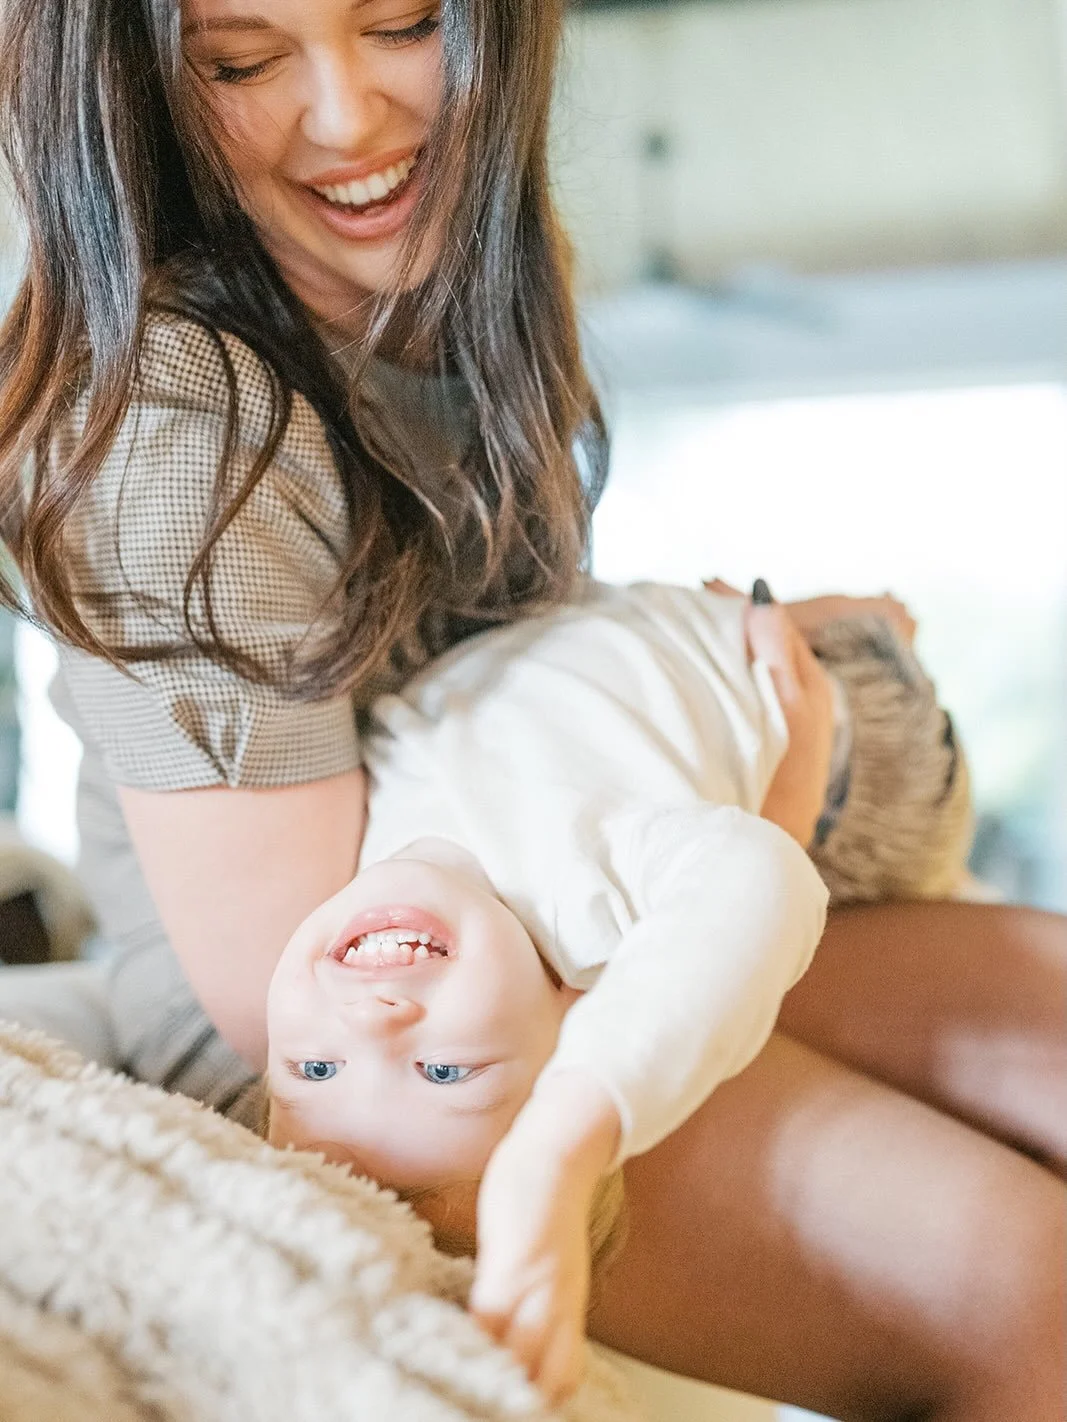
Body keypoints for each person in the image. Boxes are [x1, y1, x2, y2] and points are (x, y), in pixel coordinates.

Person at [0, 1, 1062, 1417]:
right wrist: (770, 794)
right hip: (372, 1044)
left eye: (403, 23)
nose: (351, 120)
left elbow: (478, 669)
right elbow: (311, 995)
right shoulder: (177, 428)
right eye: (242, 63)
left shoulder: (462, 273)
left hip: (534, 891)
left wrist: (682, 660)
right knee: (1027, 1294)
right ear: (138, 88)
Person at [263, 577, 974, 1401]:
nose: (371, 1021)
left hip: (676, 629)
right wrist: (559, 1148)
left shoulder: (353, 862)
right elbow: (753, 876)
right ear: (579, 1019)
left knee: (865, 618)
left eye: (315, 1071)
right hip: (859, 769)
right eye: (444, 1072)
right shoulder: (583, 914)